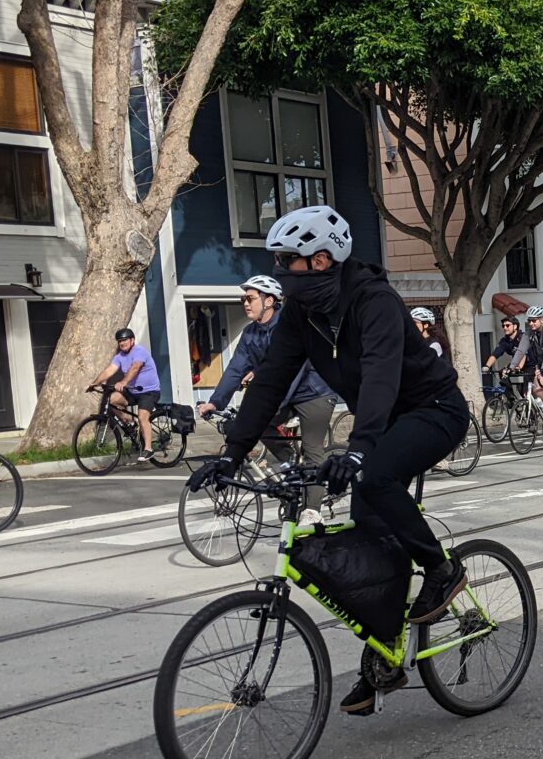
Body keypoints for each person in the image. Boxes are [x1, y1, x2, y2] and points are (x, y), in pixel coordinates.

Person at [187, 205, 468, 714]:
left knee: (378, 478)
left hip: (433, 411)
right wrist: (230, 453)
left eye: (285, 262)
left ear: (320, 262)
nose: (278, 273)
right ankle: (384, 658)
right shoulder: (303, 315)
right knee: (370, 541)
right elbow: (271, 380)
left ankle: (442, 571)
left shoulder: (375, 301)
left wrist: (358, 450)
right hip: (381, 422)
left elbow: (382, 374)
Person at [199, 275, 340, 465]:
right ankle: (289, 461)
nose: (246, 304)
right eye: (243, 300)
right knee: (257, 425)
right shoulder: (250, 333)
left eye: (250, 299)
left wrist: (273, 403)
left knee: (312, 453)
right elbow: (235, 369)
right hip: (282, 394)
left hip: (314, 393)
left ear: (269, 301)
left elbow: (295, 370)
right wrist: (215, 402)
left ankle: (315, 485)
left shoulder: (289, 325)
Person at [92, 327, 162, 462]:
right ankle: (130, 423)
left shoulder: (140, 352)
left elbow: (135, 367)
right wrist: (94, 384)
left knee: (143, 418)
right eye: (119, 341)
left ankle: (148, 449)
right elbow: (109, 371)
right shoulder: (119, 357)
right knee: (112, 400)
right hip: (133, 391)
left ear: (132, 340)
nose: (122, 343)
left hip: (149, 392)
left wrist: (123, 381)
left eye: (124, 340)